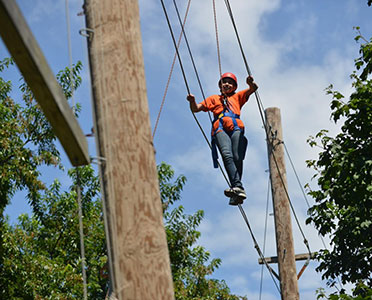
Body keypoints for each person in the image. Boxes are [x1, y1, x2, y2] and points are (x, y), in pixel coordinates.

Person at [186, 72, 258, 205]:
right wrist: (192, 101)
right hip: (220, 128)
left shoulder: (237, 97)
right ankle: (238, 186)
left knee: (237, 157)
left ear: (235, 87)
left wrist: (250, 83)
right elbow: (196, 109)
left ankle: (237, 189)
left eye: (230, 83)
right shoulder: (214, 99)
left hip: (236, 127)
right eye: (224, 82)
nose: (227, 84)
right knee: (226, 154)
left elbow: (253, 89)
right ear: (220, 86)